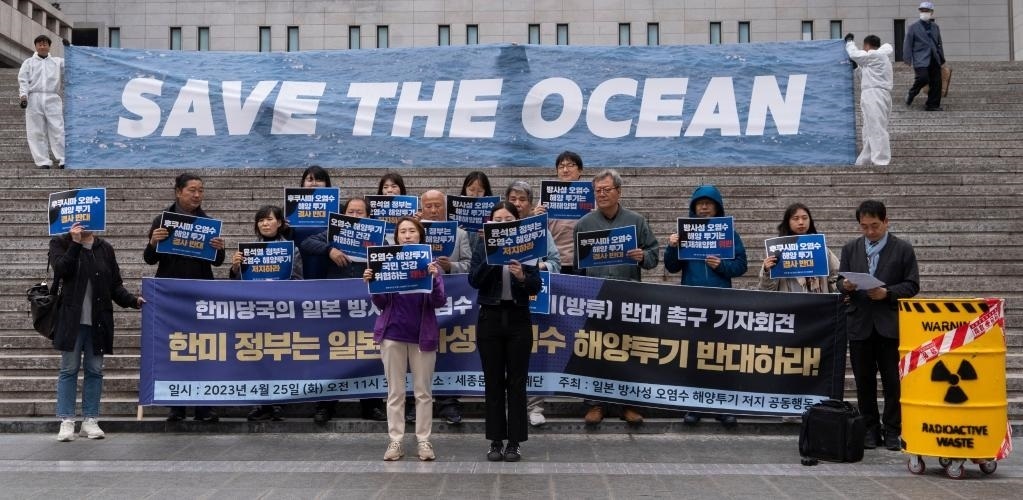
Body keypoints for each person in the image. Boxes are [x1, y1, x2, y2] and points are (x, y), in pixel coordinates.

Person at [574, 169, 659, 425]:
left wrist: (642, 256)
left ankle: (628, 404)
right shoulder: (584, 224)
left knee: (627, 351)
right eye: (597, 191)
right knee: (594, 351)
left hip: (628, 295)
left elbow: (654, 256)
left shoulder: (637, 221)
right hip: (596, 296)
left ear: (619, 192)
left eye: (606, 190)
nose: (601, 194)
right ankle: (595, 404)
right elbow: (578, 266)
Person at [837, 200, 920, 451]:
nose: (870, 231)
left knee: (893, 380)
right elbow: (839, 281)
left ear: (886, 221)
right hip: (860, 323)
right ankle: (869, 429)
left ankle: (893, 429)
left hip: (889, 324)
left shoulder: (903, 249)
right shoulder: (850, 248)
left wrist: (888, 293)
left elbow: (912, 285)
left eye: (875, 226)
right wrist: (845, 285)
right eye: (864, 227)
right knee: (864, 381)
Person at [144, 173, 226, 422]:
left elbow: (217, 263)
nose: (197, 195)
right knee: (175, 349)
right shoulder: (162, 220)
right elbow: (150, 259)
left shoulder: (208, 223)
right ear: (178, 192)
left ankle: (203, 407)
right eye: (192, 190)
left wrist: (219, 249)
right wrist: (153, 242)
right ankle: (176, 406)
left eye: (201, 190)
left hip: (200, 294)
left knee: (203, 349)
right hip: (171, 296)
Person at [362, 217, 445, 461]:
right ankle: (395, 441)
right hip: (392, 334)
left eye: (412, 231)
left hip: (422, 336)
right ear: (396, 237)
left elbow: (438, 301)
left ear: (420, 235)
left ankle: (424, 440)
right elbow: (381, 303)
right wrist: (372, 283)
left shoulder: (430, 264)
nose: (407, 235)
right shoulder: (386, 262)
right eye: (402, 232)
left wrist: (435, 279)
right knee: (395, 392)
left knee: (423, 392)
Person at [664, 184, 748, 427]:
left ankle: (723, 406)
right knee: (694, 353)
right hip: (692, 302)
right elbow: (671, 267)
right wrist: (672, 247)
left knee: (721, 354)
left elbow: (741, 265)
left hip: (721, 302)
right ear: (693, 207)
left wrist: (721, 266)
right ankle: (694, 405)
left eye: (708, 204)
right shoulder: (684, 233)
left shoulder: (729, 233)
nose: (703, 207)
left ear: (717, 207)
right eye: (699, 204)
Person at [51, 223, 144, 441]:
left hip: (98, 320)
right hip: (71, 320)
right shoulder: (60, 243)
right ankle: (67, 420)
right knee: (69, 369)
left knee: (94, 370)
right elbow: (62, 270)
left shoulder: (105, 248)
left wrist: (133, 300)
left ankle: (90, 420)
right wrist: (75, 243)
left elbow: (115, 286)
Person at [300, 196, 386, 423]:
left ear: (368, 216)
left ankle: (372, 404)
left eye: (360, 212)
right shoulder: (333, 233)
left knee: (369, 352)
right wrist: (330, 250)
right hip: (338, 304)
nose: (355, 216)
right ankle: (326, 404)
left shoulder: (378, 236)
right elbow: (307, 243)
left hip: (368, 304)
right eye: (351, 212)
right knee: (333, 353)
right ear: (343, 215)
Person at [469, 201, 543, 462]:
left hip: (518, 319)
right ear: (490, 224)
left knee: (517, 382)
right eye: (497, 220)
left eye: (507, 220)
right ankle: (495, 440)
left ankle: (514, 442)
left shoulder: (527, 246)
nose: (502, 224)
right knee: (493, 382)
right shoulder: (482, 246)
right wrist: (493, 255)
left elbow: (536, 285)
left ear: (516, 223)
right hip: (489, 318)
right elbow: (474, 280)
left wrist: (522, 275)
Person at [229, 205, 303, 421]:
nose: (265, 223)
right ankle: (261, 403)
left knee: (279, 356)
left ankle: (279, 402)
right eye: (261, 220)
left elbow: (299, 280)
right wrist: (235, 268)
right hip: (255, 312)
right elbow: (238, 284)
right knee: (257, 356)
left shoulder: (292, 250)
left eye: (269, 219)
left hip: (280, 311)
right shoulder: (248, 251)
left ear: (279, 223)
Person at [504, 179, 562, 427]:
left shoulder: (541, 231)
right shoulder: (497, 230)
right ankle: (508, 405)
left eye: (522, 200)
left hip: (533, 299)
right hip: (502, 302)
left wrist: (536, 266)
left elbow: (556, 264)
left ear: (530, 204)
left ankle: (535, 406)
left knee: (533, 355)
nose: (518, 204)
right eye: (513, 199)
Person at [419, 188, 472, 425]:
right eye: (428, 206)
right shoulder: (412, 232)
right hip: (419, 305)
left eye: (437, 205)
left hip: (451, 303)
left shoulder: (460, 234)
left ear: (446, 207)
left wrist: (451, 267)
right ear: (422, 208)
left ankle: (448, 402)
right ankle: (414, 403)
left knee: (448, 351)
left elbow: (469, 264)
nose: (433, 210)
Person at [758, 203, 839, 294]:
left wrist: (840, 290)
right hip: (788, 302)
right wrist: (767, 271)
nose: (801, 222)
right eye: (795, 218)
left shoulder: (821, 249)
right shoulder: (777, 251)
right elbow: (765, 290)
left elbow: (836, 277)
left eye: (805, 218)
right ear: (788, 222)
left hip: (818, 301)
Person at [845, 34, 894, 166]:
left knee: (876, 127)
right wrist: (856, 68)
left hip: (875, 94)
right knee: (869, 129)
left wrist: (849, 42)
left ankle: (881, 160)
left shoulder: (876, 55)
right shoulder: (879, 59)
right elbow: (865, 76)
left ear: (867, 45)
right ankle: (865, 160)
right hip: (875, 93)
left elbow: (854, 54)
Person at [18, 34, 65, 169]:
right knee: (36, 131)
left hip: (52, 97)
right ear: (36, 46)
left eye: (45, 43)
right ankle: (42, 161)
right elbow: (23, 80)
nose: (42, 46)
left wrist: (69, 48)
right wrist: (23, 96)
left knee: (58, 129)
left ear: (49, 46)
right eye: (40, 44)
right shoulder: (28, 63)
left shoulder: (57, 62)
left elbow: (73, 63)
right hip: (34, 98)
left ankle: (63, 158)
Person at [534, 151, 585, 275]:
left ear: (580, 170)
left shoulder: (590, 197)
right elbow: (538, 232)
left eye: (570, 165)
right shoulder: (546, 197)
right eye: (561, 167)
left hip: (581, 260)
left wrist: (595, 215)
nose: (565, 170)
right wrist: (536, 217)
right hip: (554, 261)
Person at [904, 2, 945, 111]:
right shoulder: (913, 27)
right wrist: (907, 58)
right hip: (920, 58)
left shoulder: (935, 27)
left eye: (926, 11)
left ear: (932, 12)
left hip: (934, 58)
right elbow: (908, 43)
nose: (924, 12)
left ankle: (932, 105)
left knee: (936, 82)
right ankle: (912, 93)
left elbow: (939, 43)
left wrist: (941, 58)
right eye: (922, 10)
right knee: (923, 78)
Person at [294, 166, 333, 280]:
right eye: (310, 180)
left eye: (319, 180)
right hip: (299, 258)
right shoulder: (290, 207)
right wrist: (284, 228)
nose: (314, 183)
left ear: (326, 183)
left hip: (327, 258)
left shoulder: (337, 207)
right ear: (303, 183)